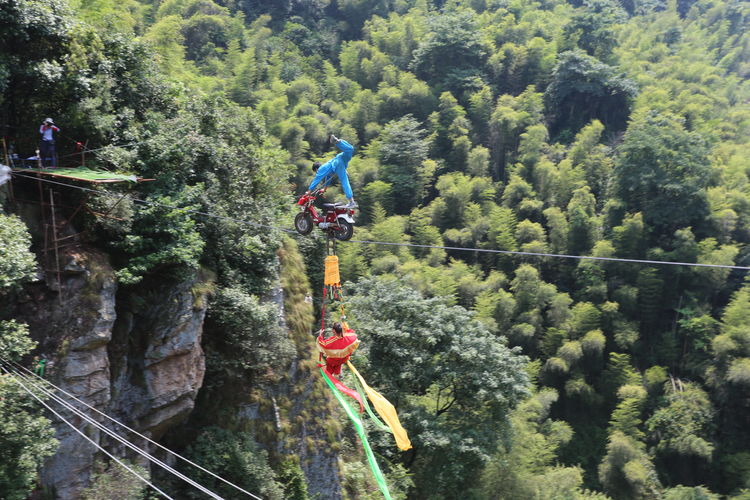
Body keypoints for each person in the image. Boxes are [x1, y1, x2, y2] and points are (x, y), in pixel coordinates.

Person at [306, 134, 357, 208]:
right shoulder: (327, 170)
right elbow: (328, 179)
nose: (317, 173)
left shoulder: (321, 169)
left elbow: (316, 180)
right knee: (350, 149)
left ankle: (351, 201)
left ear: (317, 169)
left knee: (344, 181)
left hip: (338, 162)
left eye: (316, 171)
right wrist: (325, 189)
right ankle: (338, 142)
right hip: (341, 159)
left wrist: (309, 191)